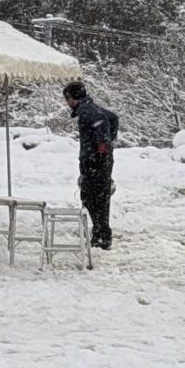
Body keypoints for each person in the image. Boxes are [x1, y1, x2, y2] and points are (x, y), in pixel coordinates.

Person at [63, 80, 119, 249]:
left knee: (93, 198)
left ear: (73, 97)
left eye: (67, 99)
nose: (67, 103)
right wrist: (110, 143)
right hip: (99, 161)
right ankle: (100, 234)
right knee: (97, 197)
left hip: (96, 162)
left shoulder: (88, 111)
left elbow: (102, 123)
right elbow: (113, 118)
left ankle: (102, 236)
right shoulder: (90, 107)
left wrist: (102, 149)